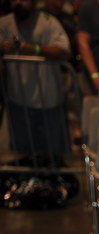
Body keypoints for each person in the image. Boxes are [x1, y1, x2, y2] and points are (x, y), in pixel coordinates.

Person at [0, 0, 71, 159]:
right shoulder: (4, 23)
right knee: (23, 155)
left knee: (52, 156)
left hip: (48, 102)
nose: (19, 3)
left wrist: (35, 49)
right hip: (18, 101)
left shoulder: (49, 22)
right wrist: (2, 48)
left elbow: (64, 51)